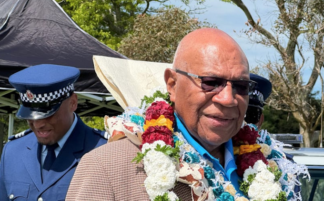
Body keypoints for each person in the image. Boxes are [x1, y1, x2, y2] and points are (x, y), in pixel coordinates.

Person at [66, 28, 254, 200]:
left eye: (241, 86)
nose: (229, 99)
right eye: (211, 82)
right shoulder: (106, 168)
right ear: (172, 84)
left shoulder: (275, 167)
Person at [0, 64, 108, 201]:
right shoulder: (13, 151)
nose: (38, 124)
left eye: (47, 114)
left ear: (73, 103)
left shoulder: (103, 150)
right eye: (31, 116)